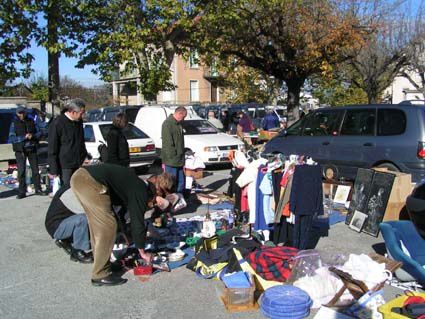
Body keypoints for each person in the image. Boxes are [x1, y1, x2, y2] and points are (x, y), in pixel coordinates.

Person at [70, 164, 173, 286]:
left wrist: (125, 232)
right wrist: (142, 252)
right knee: (108, 226)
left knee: (98, 227)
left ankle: (103, 264)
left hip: (81, 177)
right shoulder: (140, 190)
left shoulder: (135, 184)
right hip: (89, 181)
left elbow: (120, 211)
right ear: (158, 191)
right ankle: (100, 274)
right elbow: (137, 222)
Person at [45, 185, 93, 263]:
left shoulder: (74, 187)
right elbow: (84, 211)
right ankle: (78, 251)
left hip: (66, 222)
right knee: (83, 219)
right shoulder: (69, 192)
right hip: (56, 227)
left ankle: (66, 240)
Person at [8, 106, 46, 199]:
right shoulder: (14, 123)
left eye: (23, 113)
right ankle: (22, 191)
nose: (21, 115)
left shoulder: (31, 121)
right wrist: (24, 137)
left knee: (36, 170)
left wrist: (33, 136)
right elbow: (12, 138)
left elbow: (40, 133)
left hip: (31, 148)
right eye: (19, 113)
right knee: (21, 171)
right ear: (17, 114)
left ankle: (38, 189)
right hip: (20, 150)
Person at [48, 99, 87, 187]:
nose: (82, 116)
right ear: (73, 112)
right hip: (65, 165)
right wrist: (53, 169)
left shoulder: (79, 122)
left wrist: (85, 156)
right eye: (81, 113)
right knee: (67, 189)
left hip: (78, 162)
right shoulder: (58, 123)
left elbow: (81, 141)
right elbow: (52, 147)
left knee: (79, 188)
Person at [161, 106, 187, 194]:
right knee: (171, 182)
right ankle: (171, 199)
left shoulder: (178, 124)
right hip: (172, 160)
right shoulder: (167, 124)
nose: (183, 119)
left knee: (181, 182)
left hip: (179, 158)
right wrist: (173, 156)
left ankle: (180, 197)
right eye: (183, 117)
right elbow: (168, 143)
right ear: (179, 113)